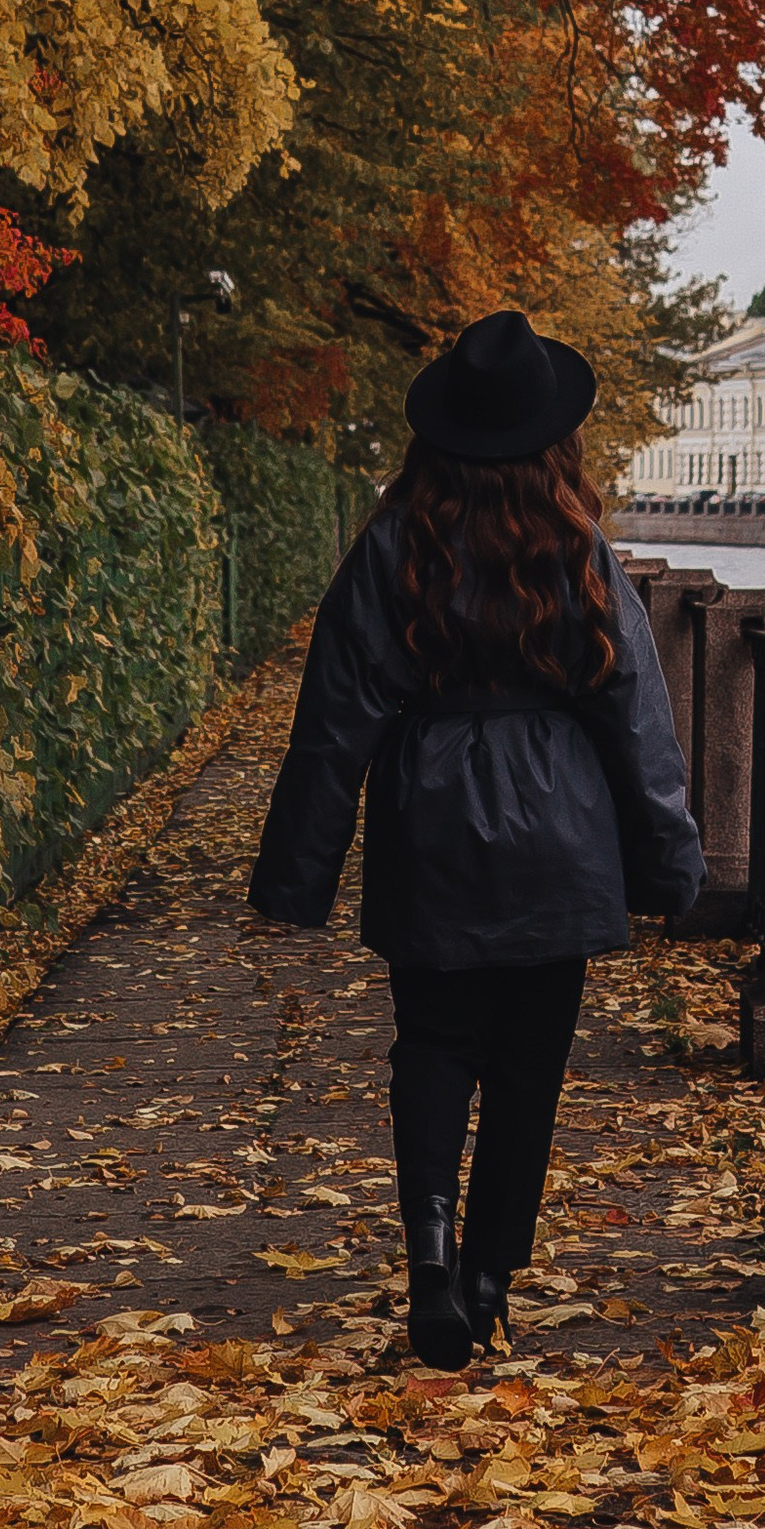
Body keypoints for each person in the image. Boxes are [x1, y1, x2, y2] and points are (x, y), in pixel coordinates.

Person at [246, 308, 705, 1370]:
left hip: (432, 818)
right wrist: (669, 862)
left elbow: (336, 720)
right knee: (530, 1067)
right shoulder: (580, 549)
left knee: (433, 1042)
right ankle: (492, 1278)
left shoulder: (392, 545)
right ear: (555, 438)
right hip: (560, 831)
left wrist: (298, 876)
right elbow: (636, 720)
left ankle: (431, 1261)